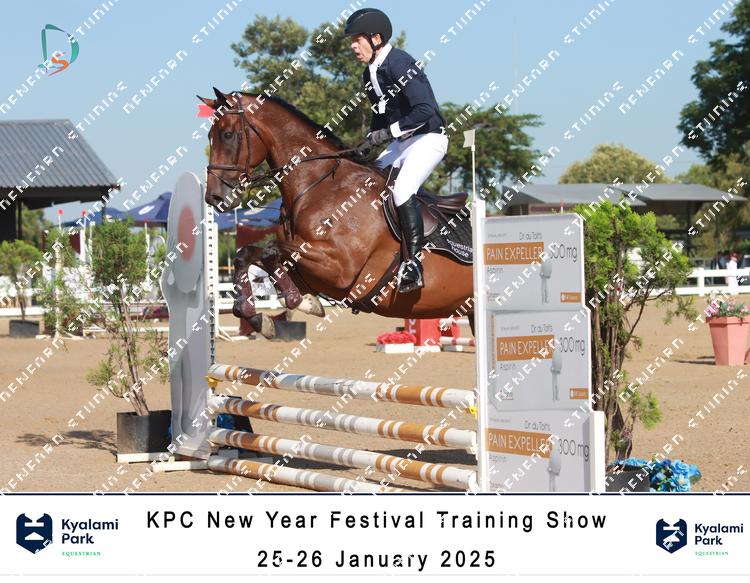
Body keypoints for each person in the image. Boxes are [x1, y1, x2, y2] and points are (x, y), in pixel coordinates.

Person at [344, 8, 448, 294]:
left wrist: (386, 133)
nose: (353, 46)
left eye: (357, 39)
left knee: (402, 190)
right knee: (365, 183)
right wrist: (368, 141)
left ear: (376, 38)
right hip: (401, 143)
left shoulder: (400, 63)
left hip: (429, 138)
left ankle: (413, 264)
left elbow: (426, 110)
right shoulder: (369, 74)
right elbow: (380, 116)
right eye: (352, 41)